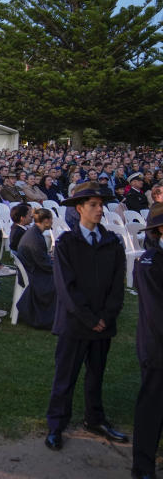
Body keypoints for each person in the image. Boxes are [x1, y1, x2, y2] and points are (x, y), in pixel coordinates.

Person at [44, 182, 127, 452]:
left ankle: (95, 419)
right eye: (93, 205)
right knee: (65, 376)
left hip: (102, 323)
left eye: (101, 204)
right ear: (79, 208)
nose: (100, 209)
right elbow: (66, 287)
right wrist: (90, 318)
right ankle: (56, 425)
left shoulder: (112, 242)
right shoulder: (67, 243)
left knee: (96, 374)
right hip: (75, 323)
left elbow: (117, 285)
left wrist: (105, 316)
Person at [132, 203, 163, 479]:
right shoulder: (150, 262)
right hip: (157, 346)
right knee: (152, 407)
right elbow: (156, 311)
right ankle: (142, 466)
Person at [15, 208, 56, 329]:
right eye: (51, 219)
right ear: (46, 220)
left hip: (33, 270)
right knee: (63, 279)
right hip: (34, 275)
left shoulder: (34, 233)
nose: (52, 222)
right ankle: (53, 318)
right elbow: (44, 265)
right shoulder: (35, 237)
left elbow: (42, 260)